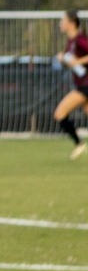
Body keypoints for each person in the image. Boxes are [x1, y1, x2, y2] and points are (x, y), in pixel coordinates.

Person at [53, 9, 87, 160]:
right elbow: (74, 64)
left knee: (60, 113)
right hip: (82, 84)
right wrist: (64, 59)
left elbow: (80, 61)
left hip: (86, 85)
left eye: (63, 20)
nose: (60, 23)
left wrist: (77, 61)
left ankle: (79, 144)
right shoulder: (70, 42)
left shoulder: (80, 39)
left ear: (71, 23)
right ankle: (79, 144)